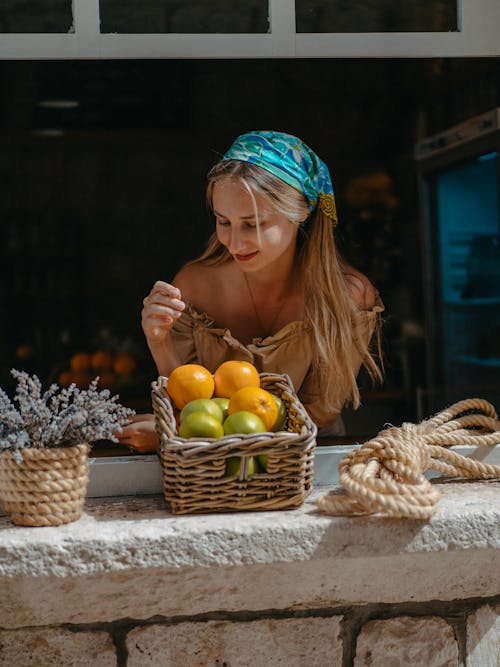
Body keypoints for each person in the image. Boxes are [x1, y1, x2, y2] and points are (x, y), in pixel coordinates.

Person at [117, 130, 384, 452]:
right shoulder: (194, 285)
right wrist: (159, 342)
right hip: (209, 466)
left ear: (301, 213)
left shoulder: (347, 296)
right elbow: (188, 398)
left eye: (253, 224)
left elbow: (318, 415)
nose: (235, 242)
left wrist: (176, 433)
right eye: (223, 221)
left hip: (310, 462)